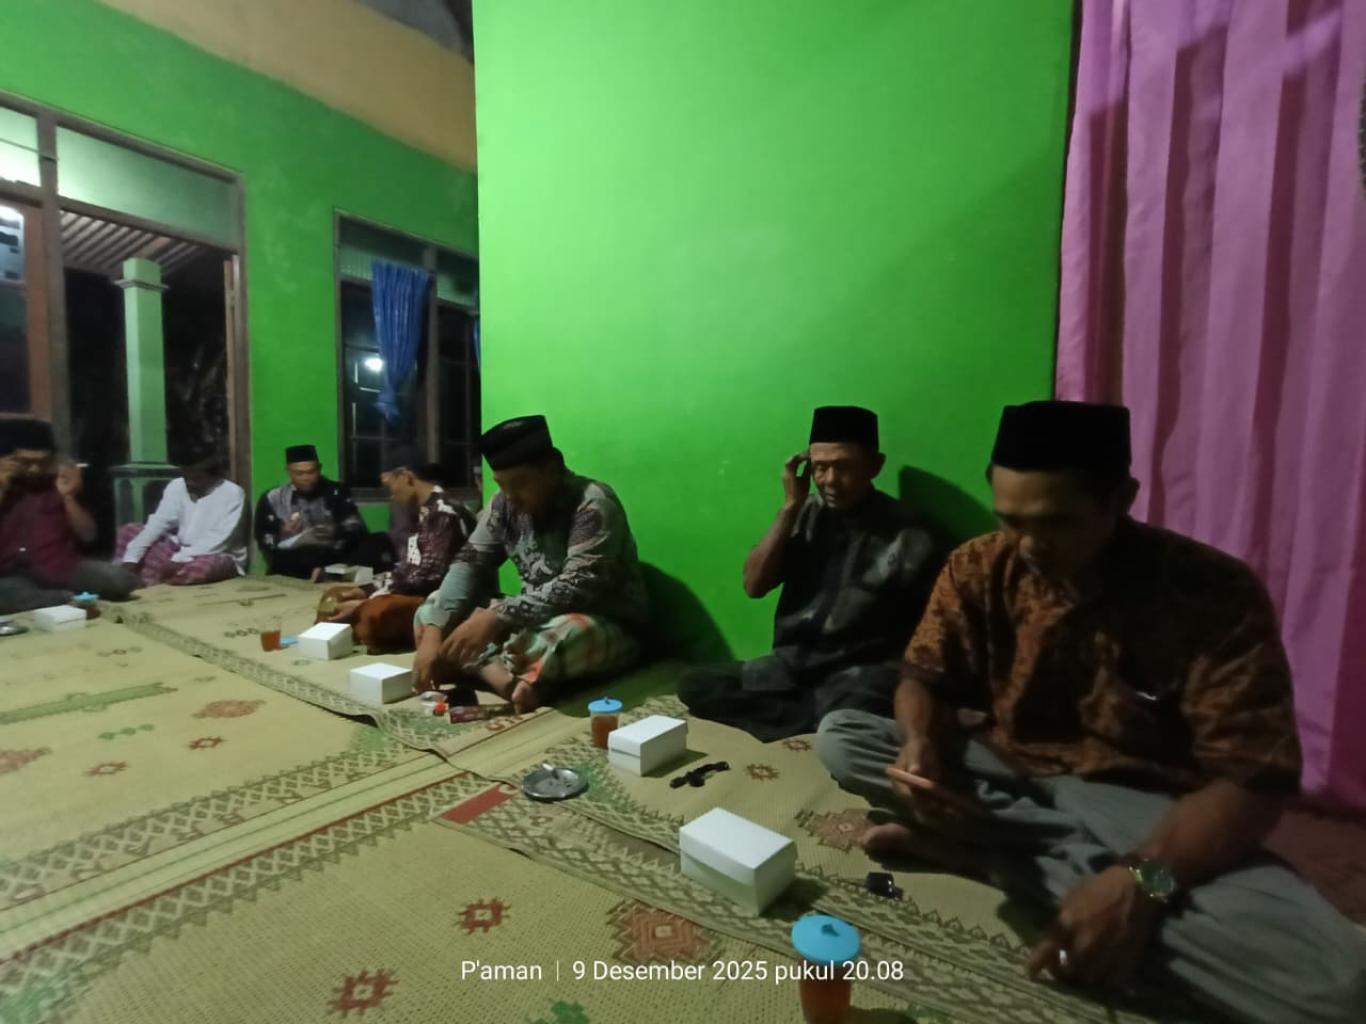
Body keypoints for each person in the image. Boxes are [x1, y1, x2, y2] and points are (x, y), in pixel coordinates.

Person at [815, 400, 1366, 1024]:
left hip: (1145, 814)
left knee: (1341, 993)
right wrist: (920, 745)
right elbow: (923, 678)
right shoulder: (979, 565)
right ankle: (1051, 874)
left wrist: (1141, 885)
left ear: (1120, 499)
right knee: (844, 736)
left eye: (1054, 524)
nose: (1027, 546)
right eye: (1010, 520)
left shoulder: (1212, 594)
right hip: (1009, 772)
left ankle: (1004, 864)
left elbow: (1253, 783)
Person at [679, 406, 939, 740]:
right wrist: (790, 507)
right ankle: (814, 716)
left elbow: (932, 635)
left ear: (874, 466)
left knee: (854, 711)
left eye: (843, 467)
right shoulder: (805, 513)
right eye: (820, 467)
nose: (829, 480)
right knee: (695, 684)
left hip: (857, 676)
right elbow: (754, 585)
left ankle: (811, 717)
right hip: (792, 668)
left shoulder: (911, 533)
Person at [412, 415, 647, 712]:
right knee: (431, 608)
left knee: (563, 635)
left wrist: (496, 617)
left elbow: (577, 587)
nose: (511, 496)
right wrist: (434, 632)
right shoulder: (503, 504)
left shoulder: (592, 502)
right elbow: (469, 563)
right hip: (530, 618)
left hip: (602, 622)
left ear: (553, 470)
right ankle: (510, 680)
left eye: (520, 483)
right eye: (502, 485)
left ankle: (483, 667)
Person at [321, 447, 476, 652]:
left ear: (406, 477)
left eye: (390, 487)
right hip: (415, 594)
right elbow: (406, 570)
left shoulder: (443, 513)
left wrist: (369, 601)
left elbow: (427, 577)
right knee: (335, 595)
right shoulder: (417, 513)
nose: (391, 496)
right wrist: (366, 590)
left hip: (444, 601)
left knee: (374, 612)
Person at [0, 418, 137, 612]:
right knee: (7, 594)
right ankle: (64, 599)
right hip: (11, 575)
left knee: (120, 580)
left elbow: (88, 535)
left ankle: (53, 599)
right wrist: (2, 486)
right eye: (26, 463)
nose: (35, 469)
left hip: (60, 568)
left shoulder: (58, 483)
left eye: (42, 462)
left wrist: (68, 496)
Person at [113, 443, 248, 586]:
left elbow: (220, 541)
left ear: (213, 477)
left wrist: (178, 559)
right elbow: (158, 523)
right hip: (178, 549)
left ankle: (151, 578)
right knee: (130, 531)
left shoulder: (233, 493)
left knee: (202, 569)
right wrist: (131, 559)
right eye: (186, 477)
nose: (189, 483)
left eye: (196, 478)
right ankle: (128, 576)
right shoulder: (176, 486)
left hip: (214, 554)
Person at [254, 444, 378, 579]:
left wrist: (336, 531)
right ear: (288, 471)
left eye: (311, 472)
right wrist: (284, 534)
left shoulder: (337, 492)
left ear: (319, 469)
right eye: (299, 473)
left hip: (332, 558)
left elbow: (356, 527)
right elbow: (263, 539)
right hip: (292, 562)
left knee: (377, 541)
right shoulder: (273, 498)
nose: (306, 478)